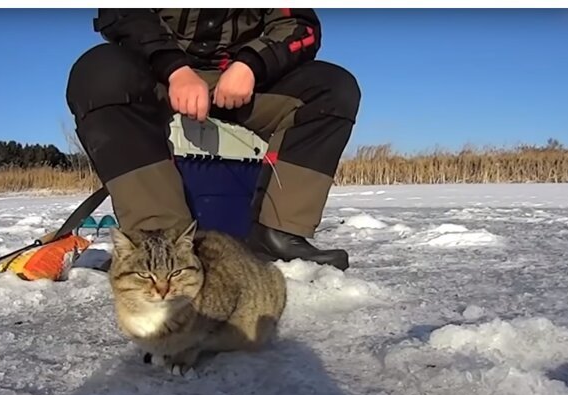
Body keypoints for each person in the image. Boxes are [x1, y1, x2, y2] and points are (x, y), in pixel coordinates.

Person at [66, 9, 361, 271]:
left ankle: (278, 235)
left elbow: (300, 26)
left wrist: (251, 64)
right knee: (98, 75)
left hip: (244, 83)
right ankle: (160, 240)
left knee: (334, 90)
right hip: (157, 78)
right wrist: (175, 69)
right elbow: (122, 14)